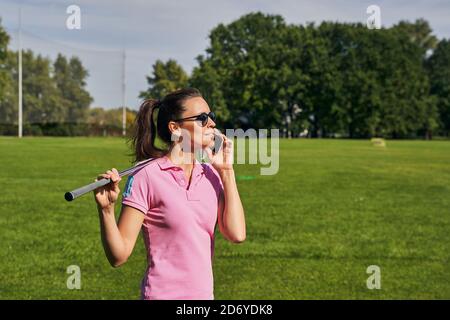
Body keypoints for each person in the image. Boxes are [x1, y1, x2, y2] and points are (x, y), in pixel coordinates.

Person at [93, 87, 246, 300]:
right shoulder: (147, 175)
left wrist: (227, 172)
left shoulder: (211, 174)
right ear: (175, 128)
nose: (212, 124)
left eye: (211, 116)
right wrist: (107, 210)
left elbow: (237, 234)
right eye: (202, 118)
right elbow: (119, 255)